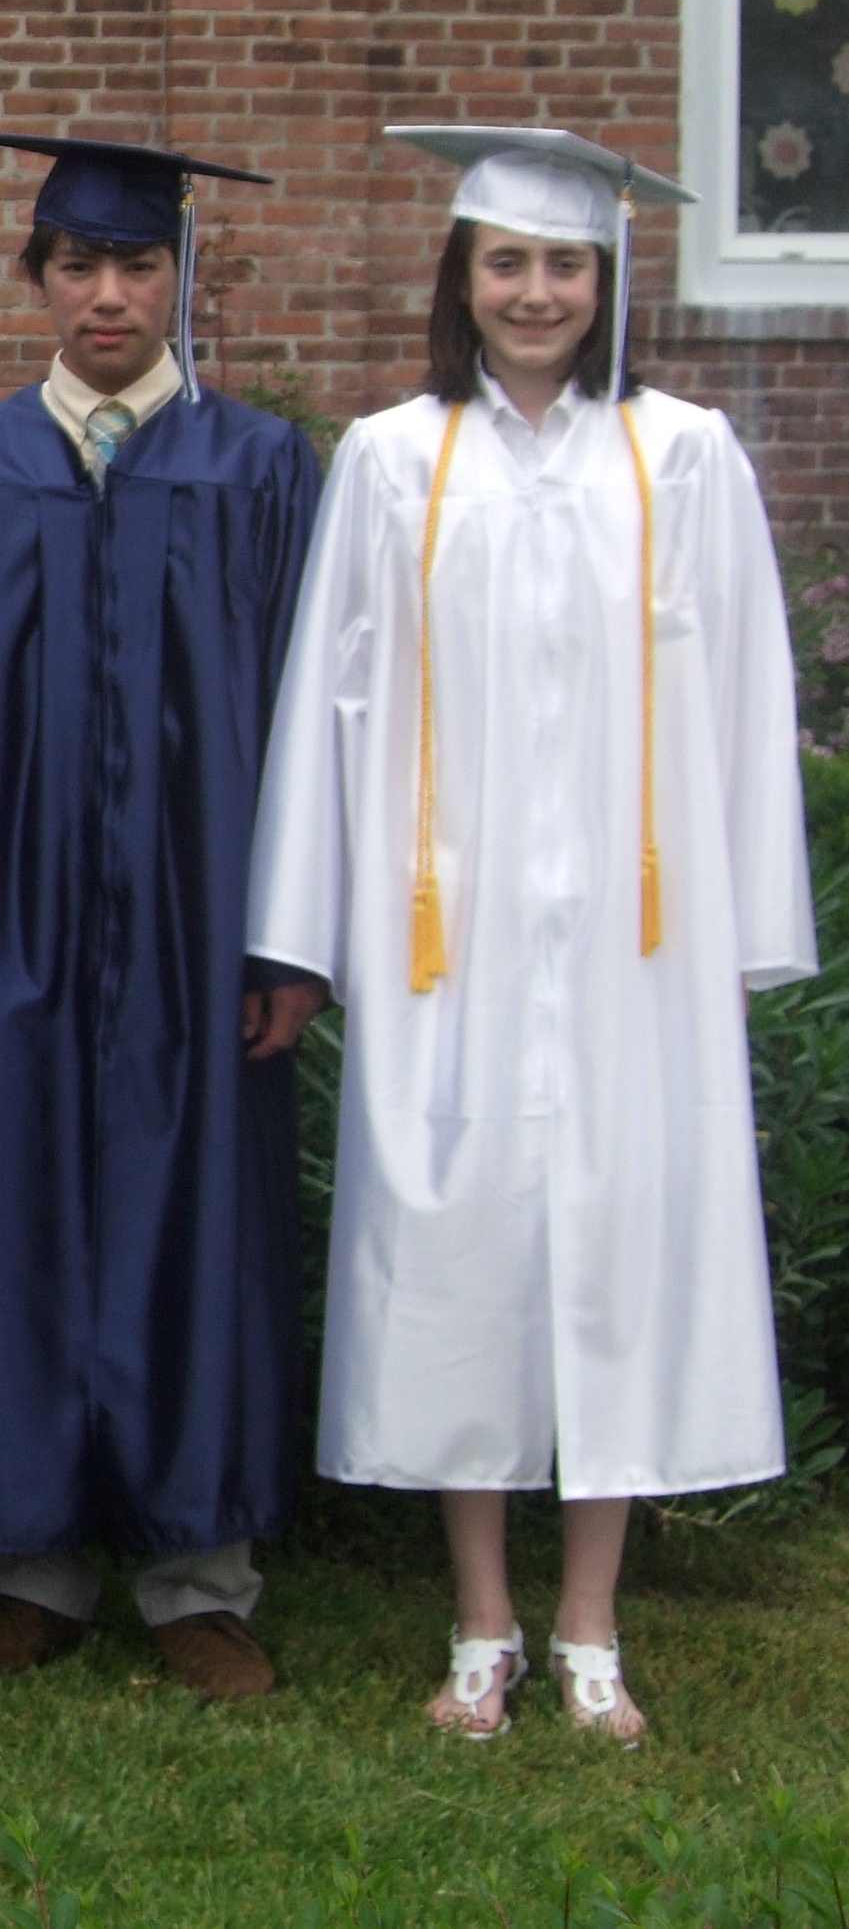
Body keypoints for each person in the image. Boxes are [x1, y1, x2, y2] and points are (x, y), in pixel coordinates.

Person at [248, 128, 816, 1747]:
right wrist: (305, 928)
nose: (537, 292)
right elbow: (325, 701)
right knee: (456, 1258)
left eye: (565, 264)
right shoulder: (388, 458)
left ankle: (591, 1626)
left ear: (606, 277)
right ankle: (480, 1620)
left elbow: (742, 697)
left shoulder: (684, 454)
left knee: (625, 1253)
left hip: (636, 947)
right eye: (507, 263)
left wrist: (738, 927)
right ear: (462, 279)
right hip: (456, 939)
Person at [0, 131, 322, 1704]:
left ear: (181, 276)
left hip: (204, 935)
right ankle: (33, 1566)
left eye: (135, 265)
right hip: (8, 928)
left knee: (199, 1223)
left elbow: (313, 730)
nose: (107, 294)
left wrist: (288, 937)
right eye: (78, 265)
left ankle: (200, 1577)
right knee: (19, 1218)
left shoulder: (257, 470)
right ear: (37, 279)